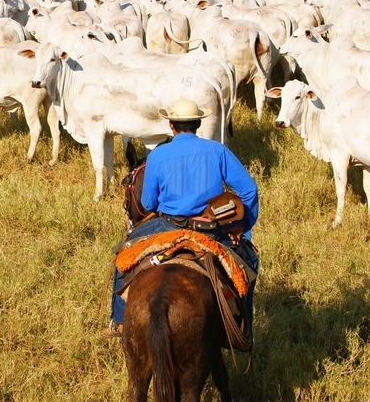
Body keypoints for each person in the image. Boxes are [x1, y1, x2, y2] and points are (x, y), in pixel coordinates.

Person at [105, 98, 260, 340]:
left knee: (122, 257)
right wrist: (241, 228)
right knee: (248, 263)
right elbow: (249, 190)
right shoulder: (217, 150)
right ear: (198, 123)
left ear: (171, 126)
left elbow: (147, 204)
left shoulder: (157, 155)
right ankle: (244, 330)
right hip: (210, 230)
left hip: (166, 225)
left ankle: (120, 322)